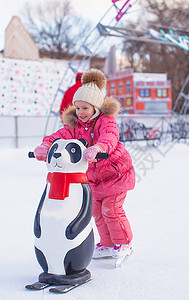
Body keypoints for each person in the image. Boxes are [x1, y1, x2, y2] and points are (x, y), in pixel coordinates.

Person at [34, 68, 135, 260]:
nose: (80, 112)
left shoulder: (106, 121)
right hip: (95, 178)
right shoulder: (75, 126)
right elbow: (59, 136)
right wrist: (46, 145)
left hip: (116, 174)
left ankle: (124, 243)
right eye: (78, 108)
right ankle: (107, 244)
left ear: (96, 107)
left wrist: (98, 148)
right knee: (97, 212)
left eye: (85, 108)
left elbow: (110, 137)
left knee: (111, 210)